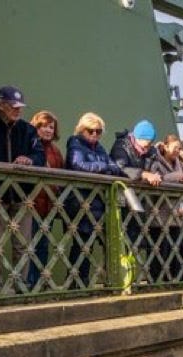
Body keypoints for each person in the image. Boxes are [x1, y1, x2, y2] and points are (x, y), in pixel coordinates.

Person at [0, 85, 45, 291]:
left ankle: (20, 285)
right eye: (13, 106)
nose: (18, 110)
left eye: (20, 107)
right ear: (0, 105)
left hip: (22, 194)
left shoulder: (28, 130)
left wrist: (30, 160)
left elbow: (40, 155)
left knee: (23, 245)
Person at [65, 112, 124, 285]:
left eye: (98, 131)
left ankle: (103, 281)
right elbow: (77, 165)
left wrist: (104, 167)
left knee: (102, 242)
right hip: (81, 201)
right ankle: (76, 282)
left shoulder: (99, 148)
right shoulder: (75, 143)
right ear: (82, 129)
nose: (95, 134)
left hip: (98, 202)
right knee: (82, 243)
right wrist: (103, 167)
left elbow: (115, 167)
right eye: (90, 130)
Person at [145, 134, 183, 282]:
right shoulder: (156, 161)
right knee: (159, 251)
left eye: (179, 149)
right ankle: (156, 281)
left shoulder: (179, 163)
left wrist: (182, 178)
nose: (177, 151)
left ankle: (172, 280)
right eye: (175, 148)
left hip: (176, 215)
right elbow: (157, 179)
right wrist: (176, 177)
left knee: (174, 250)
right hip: (159, 214)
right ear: (166, 147)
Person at [29, 109, 65, 288]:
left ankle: (41, 281)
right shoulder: (29, 145)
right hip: (32, 204)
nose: (48, 130)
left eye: (51, 127)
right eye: (44, 126)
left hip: (48, 206)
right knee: (29, 245)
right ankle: (30, 282)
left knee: (43, 245)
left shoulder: (56, 151)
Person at [110, 119, 161, 185]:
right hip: (122, 187)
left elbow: (156, 169)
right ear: (137, 138)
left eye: (151, 143)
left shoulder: (152, 151)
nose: (148, 148)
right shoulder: (121, 146)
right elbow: (120, 168)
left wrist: (156, 176)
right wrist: (143, 174)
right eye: (146, 145)